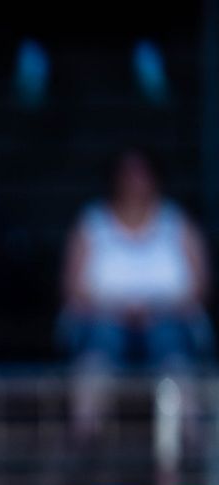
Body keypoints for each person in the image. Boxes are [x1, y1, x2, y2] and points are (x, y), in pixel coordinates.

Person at [61, 148, 211, 441]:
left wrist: (156, 310)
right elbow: (72, 288)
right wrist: (117, 310)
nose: (134, 182)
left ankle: (183, 448)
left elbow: (199, 288)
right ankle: (87, 439)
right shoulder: (92, 223)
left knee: (171, 349)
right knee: (98, 348)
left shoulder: (177, 224)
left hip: (168, 325)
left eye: (141, 174)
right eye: (127, 174)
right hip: (102, 324)